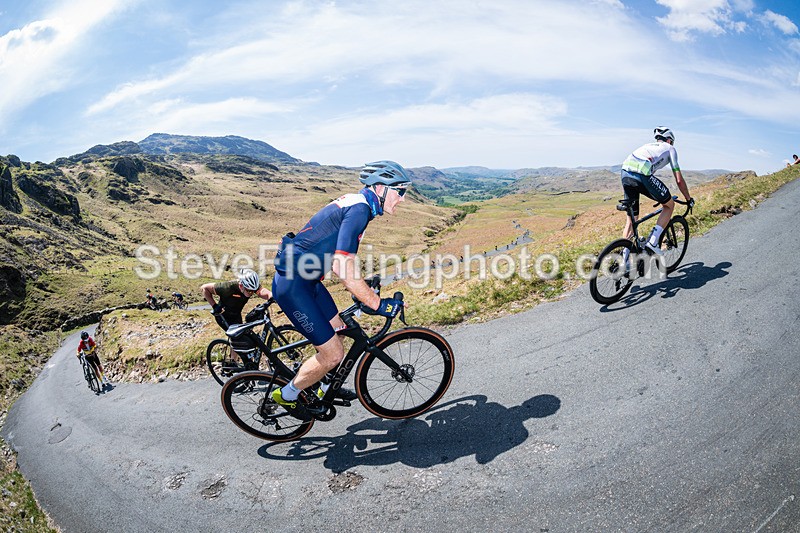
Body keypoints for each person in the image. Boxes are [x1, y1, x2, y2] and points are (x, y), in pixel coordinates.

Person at [269, 160, 410, 420]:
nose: (402, 199)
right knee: (333, 353)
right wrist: (378, 304)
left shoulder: (359, 205)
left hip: (307, 282)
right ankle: (286, 396)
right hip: (293, 287)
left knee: (340, 331)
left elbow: (337, 261)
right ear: (380, 188)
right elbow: (343, 267)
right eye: (399, 191)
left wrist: (365, 288)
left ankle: (324, 387)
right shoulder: (358, 210)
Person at [620, 127, 693, 257]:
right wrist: (688, 199)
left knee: (631, 220)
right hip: (641, 173)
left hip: (625, 172)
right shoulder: (670, 148)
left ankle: (623, 260)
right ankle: (653, 242)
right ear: (670, 140)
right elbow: (679, 180)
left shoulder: (647, 146)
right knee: (669, 205)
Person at [201, 268, 272, 331]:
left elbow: (261, 291)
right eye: (250, 291)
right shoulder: (227, 287)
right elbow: (205, 288)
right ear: (241, 286)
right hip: (223, 317)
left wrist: (271, 295)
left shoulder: (250, 286)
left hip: (237, 315)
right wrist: (214, 306)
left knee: (248, 338)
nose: (252, 293)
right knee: (240, 341)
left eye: (254, 290)